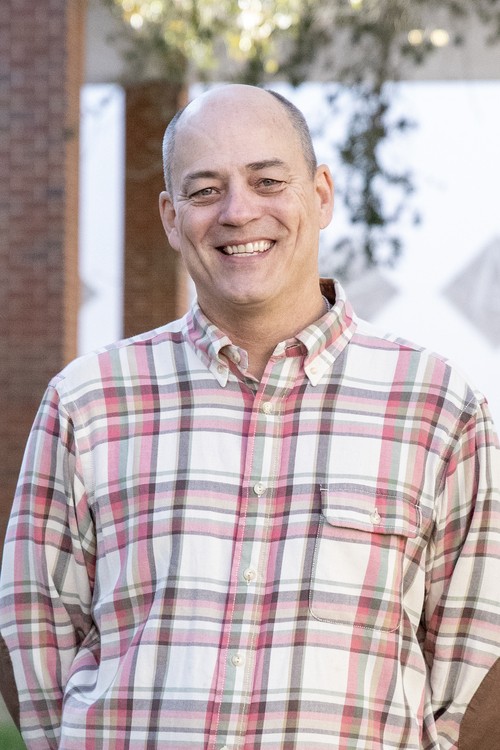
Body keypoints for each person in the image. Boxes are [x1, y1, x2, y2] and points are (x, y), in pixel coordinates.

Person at [0, 83, 499, 750]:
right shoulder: (87, 402)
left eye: (267, 181)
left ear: (321, 194)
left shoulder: (438, 406)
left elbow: (479, 659)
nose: (238, 212)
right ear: (171, 217)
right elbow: (31, 629)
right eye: (206, 190)